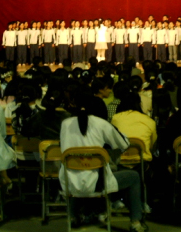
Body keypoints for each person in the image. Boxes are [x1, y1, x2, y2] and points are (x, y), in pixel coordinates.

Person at [59, 87, 147, 232]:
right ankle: (136, 222)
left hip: (69, 183)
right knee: (133, 176)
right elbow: (124, 144)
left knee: (77, 171)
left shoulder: (65, 124)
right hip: (98, 184)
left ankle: (74, 215)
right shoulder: (101, 124)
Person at [111, 92, 157, 162]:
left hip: (120, 159)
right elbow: (152, 143)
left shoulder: (115, 118)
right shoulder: (149, 121)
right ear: (139, 104)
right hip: (142, 160)